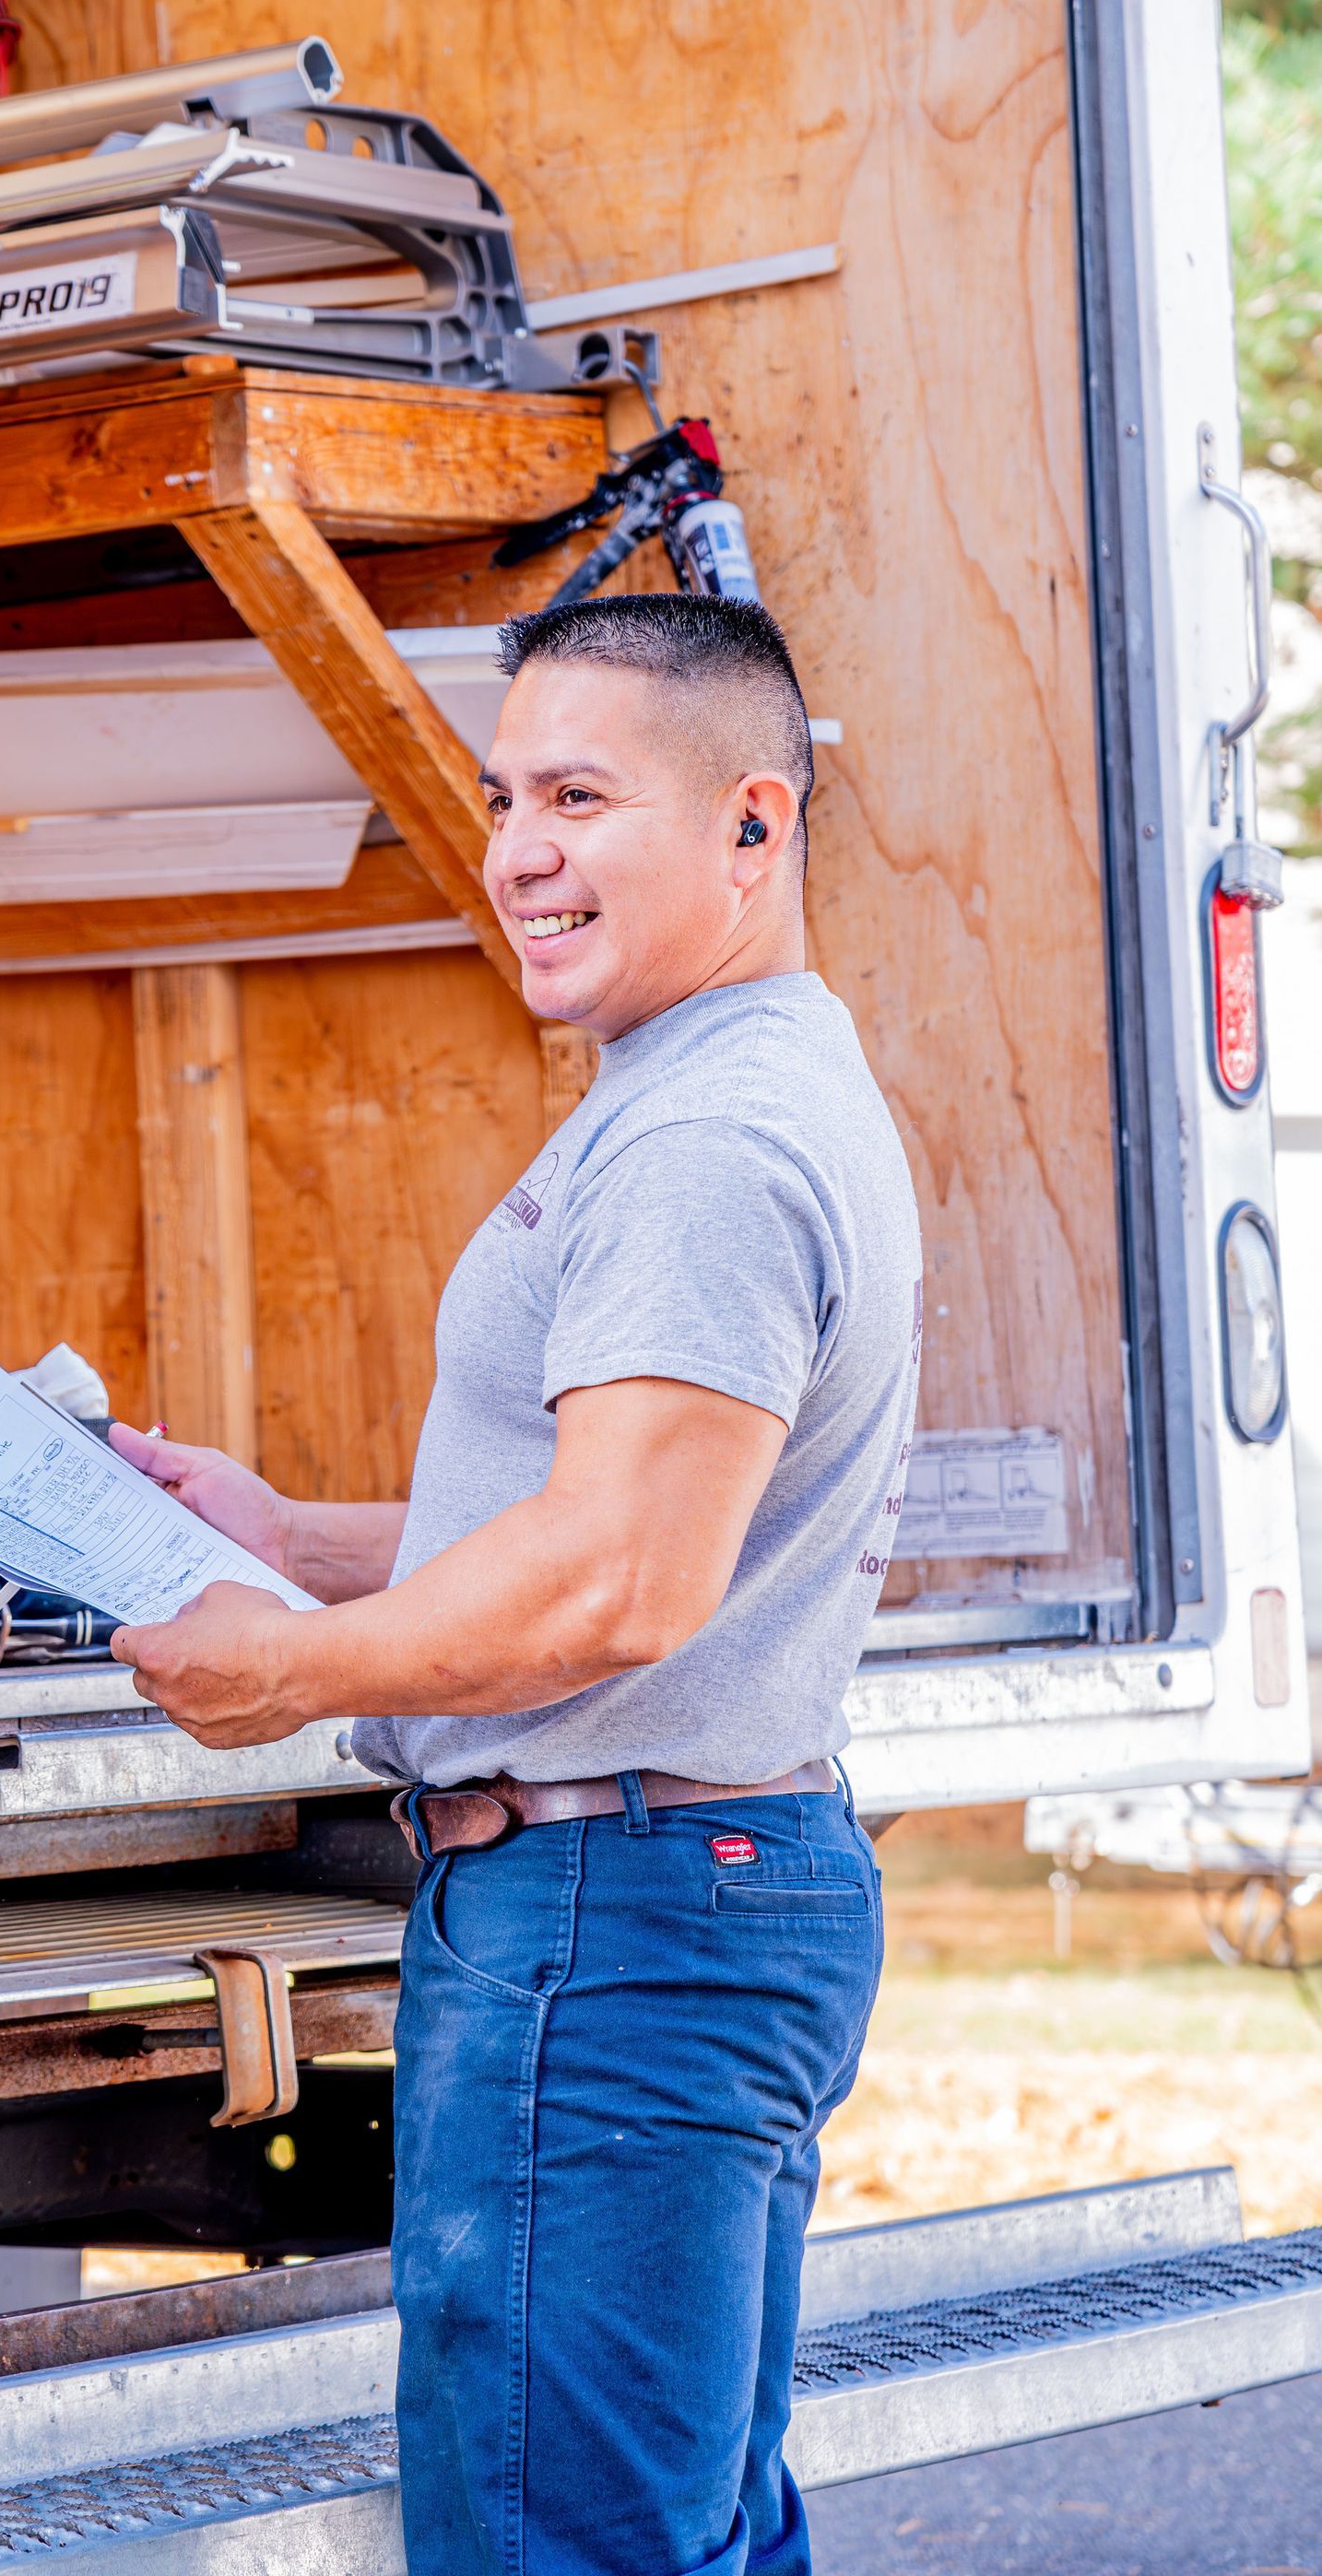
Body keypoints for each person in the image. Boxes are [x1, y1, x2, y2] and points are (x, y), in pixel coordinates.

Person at [110, 593, 922, 2576]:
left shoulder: (710, 1139)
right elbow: (619, 1515)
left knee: (569, 2548)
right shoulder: (718, 1086)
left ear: (755, 823)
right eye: (501, 795)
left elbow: (624, 1580)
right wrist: (298, 1537)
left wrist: (290, 1663)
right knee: (667, 2536)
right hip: (672, 1898)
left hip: (610, 1922)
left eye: (577, 795)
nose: (516, 850)